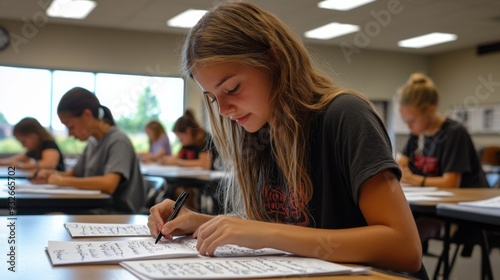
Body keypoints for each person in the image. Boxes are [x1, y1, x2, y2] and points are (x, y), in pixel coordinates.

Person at [148, 1, 424, 277]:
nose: (223, 110)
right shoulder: (259, 132)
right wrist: (199, 222)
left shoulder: (346, 116)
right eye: (212, 98)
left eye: (232, 88)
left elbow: (404, 248)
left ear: (274, 60)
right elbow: (276, 231)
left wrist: (266, 233)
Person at [32, 87, 145, 214]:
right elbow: (74, 174)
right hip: (95, 207)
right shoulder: (92, 142)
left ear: (87, 115)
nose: (70, 134)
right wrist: (52, 175)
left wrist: (61, 180)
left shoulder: (118, 141)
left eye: (71, 126)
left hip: (117, 214)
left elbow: (109, 185)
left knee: (52, 216)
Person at [396, 73, 488, 189]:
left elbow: (450, 183)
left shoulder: (454, 132)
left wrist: (413, 179)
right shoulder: (417, 133)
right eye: (406, 121)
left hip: (468, 201)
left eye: (413, 120)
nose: (409, 126)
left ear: (430, 110)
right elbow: (401, 167)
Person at [0, 117, 65, 171]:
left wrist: (21, 166)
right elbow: (14, 160)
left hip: (58, 184)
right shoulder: (34, 149)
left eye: (24, 141)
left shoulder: (49, 144)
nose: (23, 146)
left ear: (34, 135)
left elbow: (49, 164)